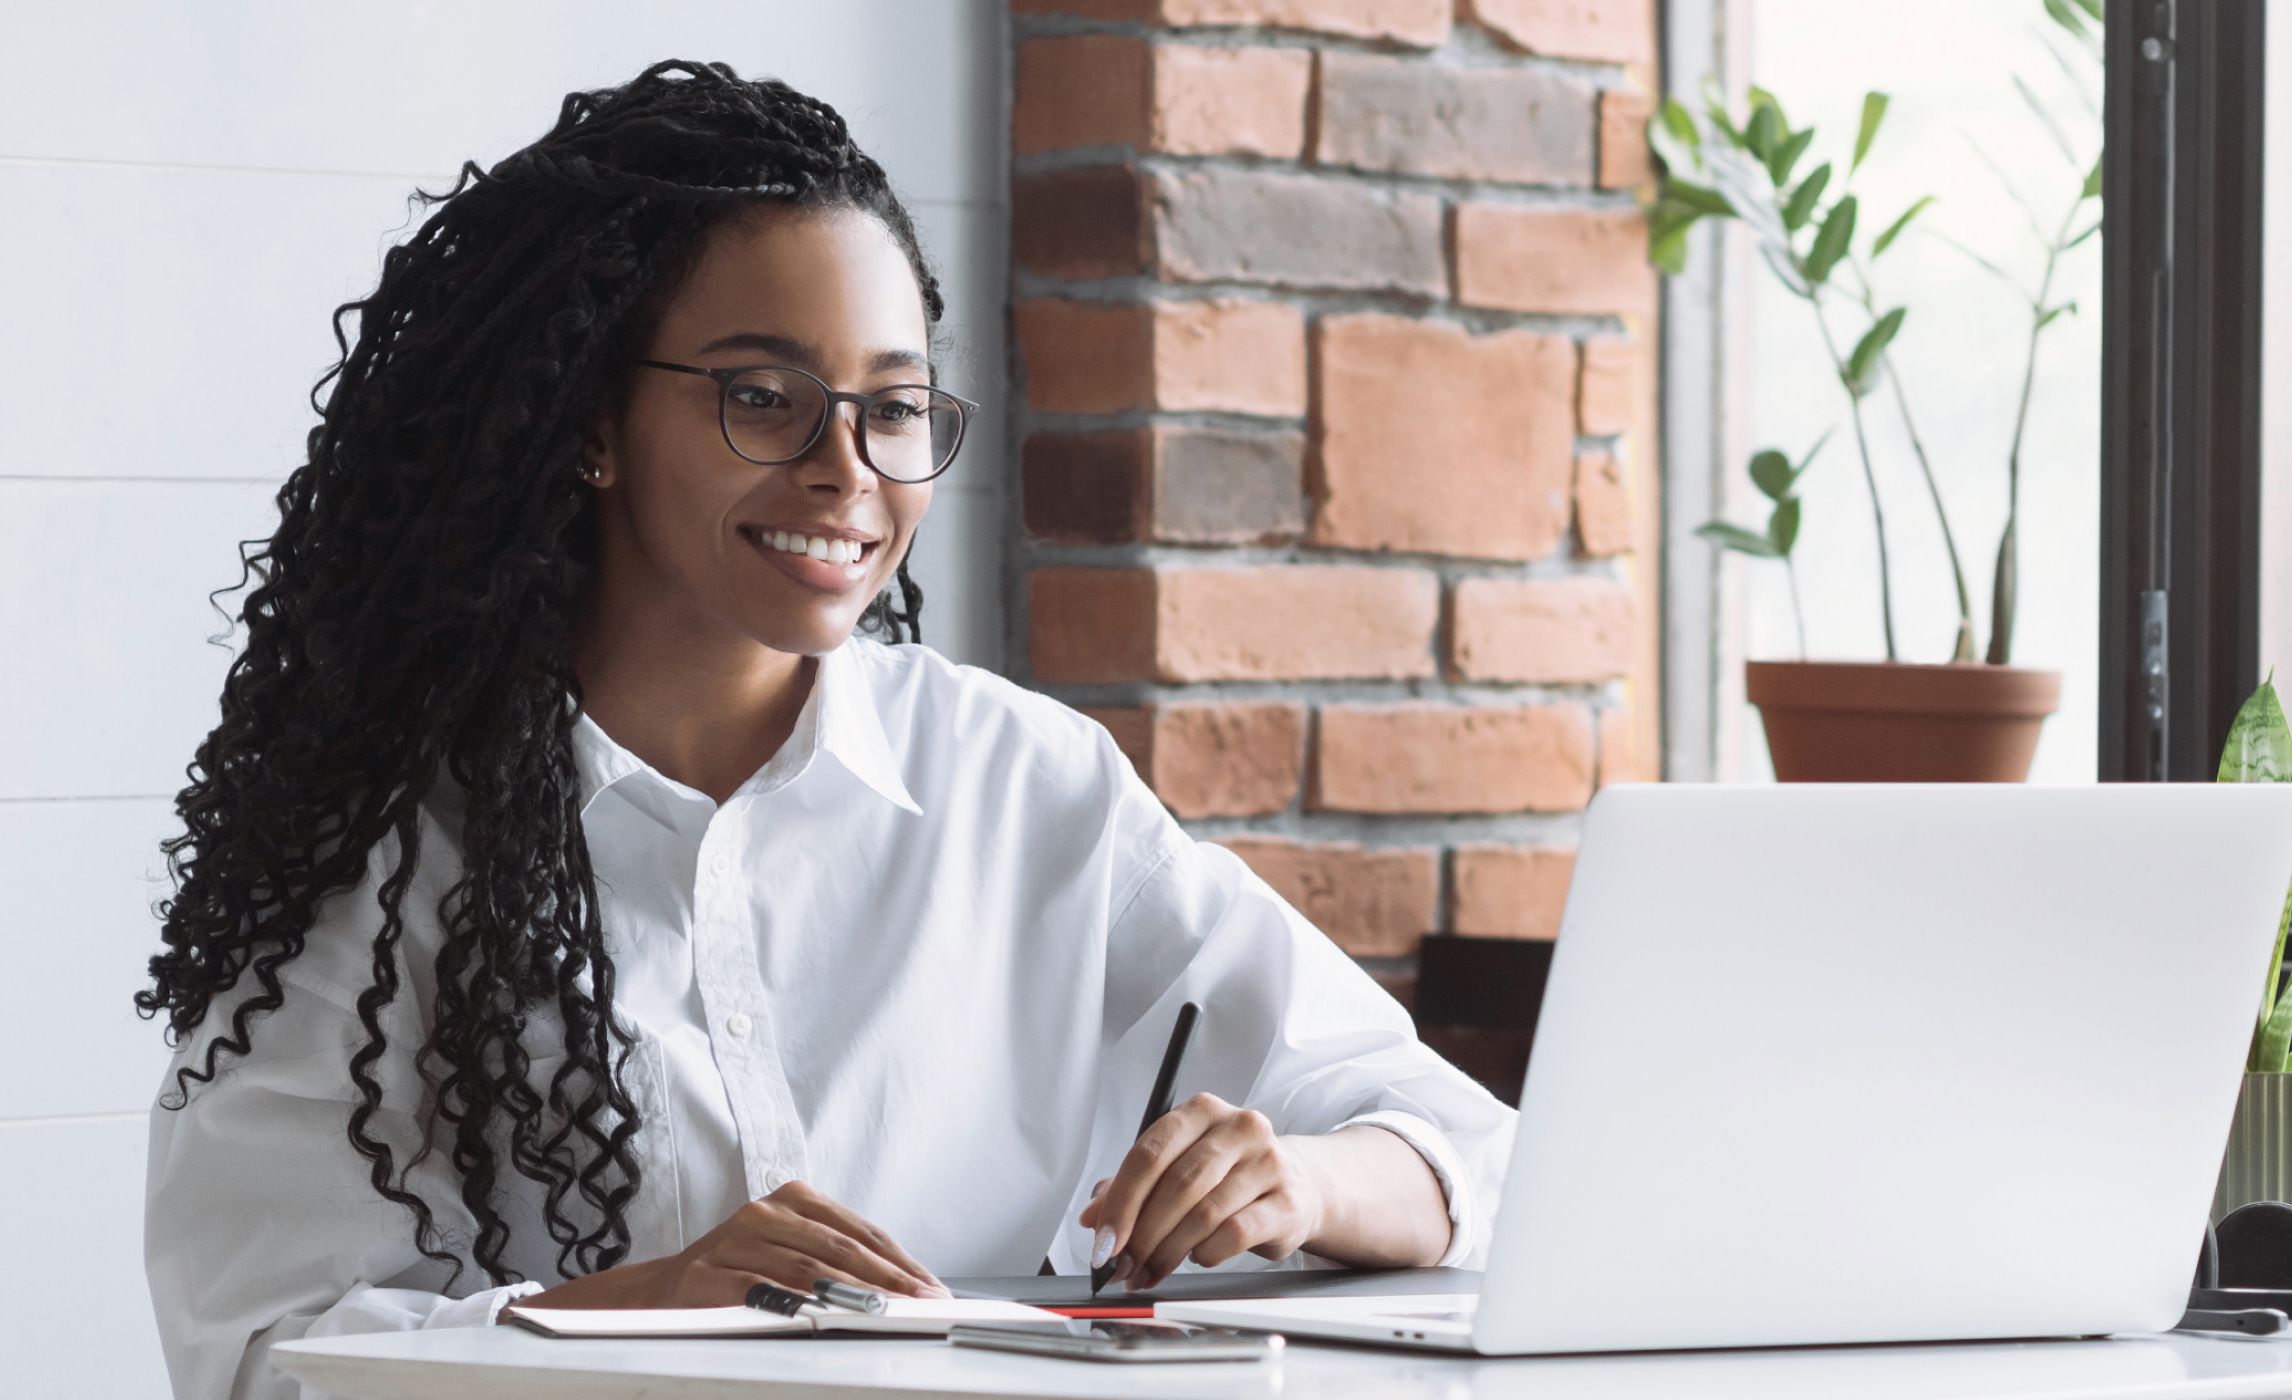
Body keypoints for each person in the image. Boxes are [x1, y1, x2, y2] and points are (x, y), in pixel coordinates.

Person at [135, 58, 1516, 1400]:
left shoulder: (1022, 785)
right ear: (589, 423)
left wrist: (1306, 1179)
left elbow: (1490, 1158)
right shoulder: (382, 838)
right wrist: (632, 1312)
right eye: (763, 397)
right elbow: (263, 1353)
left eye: (895, 407)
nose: (846, 469)